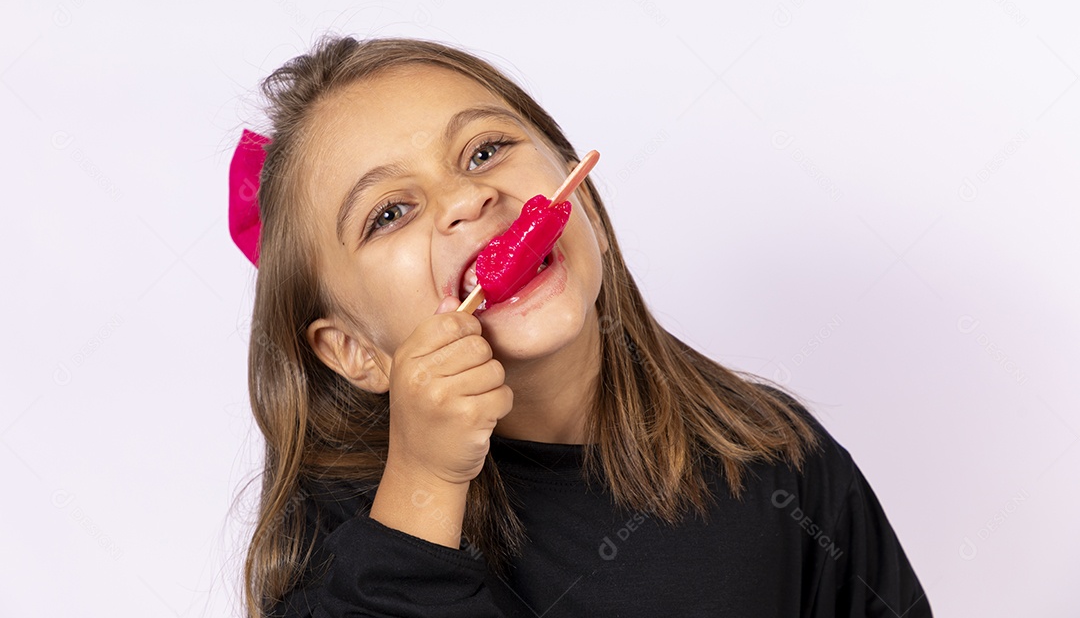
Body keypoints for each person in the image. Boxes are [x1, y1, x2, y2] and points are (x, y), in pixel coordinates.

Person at [230, 35, 933, 617]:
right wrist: (426, 482)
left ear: (579, 195)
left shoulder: (776, 460)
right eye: (390, 212)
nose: (469, 199)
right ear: (353, 351)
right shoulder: (345, 535)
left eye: (484, 151)